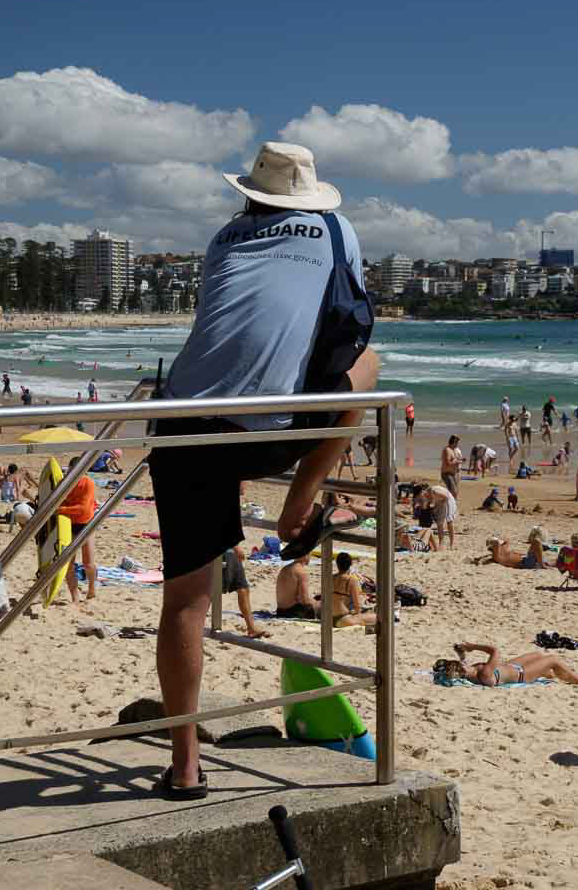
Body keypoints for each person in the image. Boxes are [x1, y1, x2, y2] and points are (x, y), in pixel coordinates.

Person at [146, 142, 379, 801]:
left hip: (183, 425)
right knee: (373, 371)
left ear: (250, 194)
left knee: (186, 603)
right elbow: (352, 329)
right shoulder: (338, 229)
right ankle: (298, 507)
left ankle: (186, 766)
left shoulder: (224, 238)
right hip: (267, 431)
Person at [434, 641, 578, 686]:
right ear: (461, 670)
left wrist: (461, 652)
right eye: (462, 665)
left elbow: (463, 663)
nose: (464, 663)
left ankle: (548, 673)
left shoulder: (470, 672)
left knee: (538, 654)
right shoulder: (484, 674)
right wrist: (473, 647)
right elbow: (495, 651)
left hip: (510, 666)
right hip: (521, 674)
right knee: (553, 659)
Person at [57, 458, 99, 604]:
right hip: (68, 524)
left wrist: (59, 510)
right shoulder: (64, 483)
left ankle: (92, 588)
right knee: (68, 564)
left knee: (88, 563)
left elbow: (83, 509)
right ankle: (75, 597)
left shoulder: (88, 483)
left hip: (86, 524)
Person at [220, 546, 269, 639]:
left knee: (243, 588)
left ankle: (251, 628)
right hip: (226, 551)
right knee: (211, 590)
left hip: (231, 552)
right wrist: (236, 547)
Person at [329, 553, 377, 627]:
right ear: (350, 564)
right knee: (378, 617)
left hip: (328, 618)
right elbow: (358, 606)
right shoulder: (351, 580)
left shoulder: (331, 578)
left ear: (337, 564)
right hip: (343, 619)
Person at [275, 551, 318, 620]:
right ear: (305, 555)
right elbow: (304, 600)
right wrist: (316, 603)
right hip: (293, 612)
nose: (310, 557)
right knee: (322, 604)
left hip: (280, 611)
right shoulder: (301, 572)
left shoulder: (285, 568)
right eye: (310, 554)